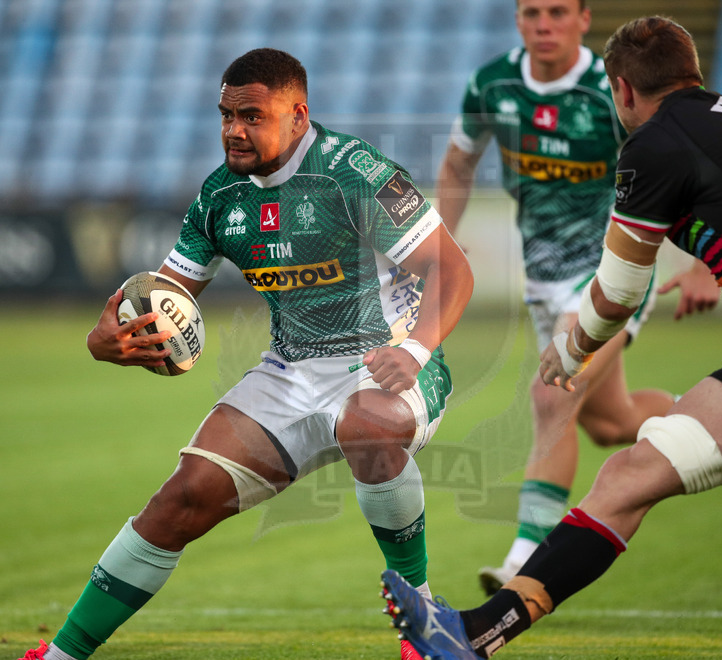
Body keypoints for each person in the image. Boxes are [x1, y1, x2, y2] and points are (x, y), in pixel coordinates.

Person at [19, 48, 473, 660]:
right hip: (289, 373)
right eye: (226, 114)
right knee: (181, 498)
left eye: (252, 115)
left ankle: (424, 624)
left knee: (366, 425)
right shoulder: (218, 197)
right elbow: (164, 301)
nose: (234, 129)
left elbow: (451, 267)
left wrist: (417, 349)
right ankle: (59, 656)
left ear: (297, 114)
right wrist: (113, 338)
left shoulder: (355, 171)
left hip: (385, 361)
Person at [379, 15, 722, 659]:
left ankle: (517, 554)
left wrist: (571, 348)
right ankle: (470, 638)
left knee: (558, 400)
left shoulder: (654, 144)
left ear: (622, 90)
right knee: (627, 469)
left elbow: (619, 292)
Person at [436, 0, 722, 595]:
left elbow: (690, 164)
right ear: (518, 21)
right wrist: (443, 244)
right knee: (612, 422)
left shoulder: (612, 91)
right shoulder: (492, 84)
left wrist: (711, 263)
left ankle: (524, 559)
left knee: (551, 392)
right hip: (544, 279)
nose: (543, 24)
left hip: (613, 272)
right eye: (531, 12)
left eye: (557, 11)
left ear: (584, 19)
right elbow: (456, 163)